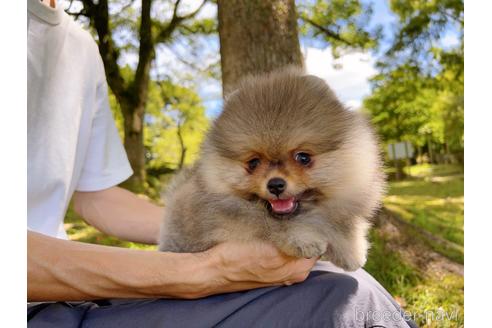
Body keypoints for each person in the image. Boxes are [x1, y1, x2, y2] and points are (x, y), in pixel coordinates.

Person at [27, 0, 417, 327]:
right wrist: (203, 271)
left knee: (345, 287)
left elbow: (95, 198)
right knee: (340, 304)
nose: (278, 177)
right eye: (253, 164)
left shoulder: (79, 46)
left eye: (302, 159)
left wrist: (205, 231)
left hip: (77, 297)